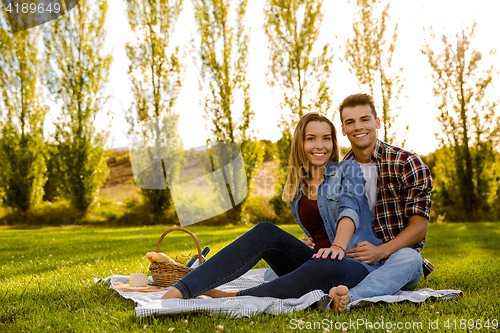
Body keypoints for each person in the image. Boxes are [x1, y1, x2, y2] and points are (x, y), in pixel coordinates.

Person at [162, 112, 383, 304]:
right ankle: (181, 289)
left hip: (352, 264)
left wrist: (338, 247)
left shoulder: (349, 169)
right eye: (311, 138)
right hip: (314, 263)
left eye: (326, 138)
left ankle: (231, 295)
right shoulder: (298, 187)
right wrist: (303, 243)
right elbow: (318, 227)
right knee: (266, 230)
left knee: (328, 264)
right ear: (300, 144)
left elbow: (349, 210)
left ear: (334, 143)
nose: (320, 145)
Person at [331, 93, 434, 311]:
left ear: (377, 122)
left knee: (411, 259)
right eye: (350, 122)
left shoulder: (407, 163)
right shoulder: (337, 173)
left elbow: (419, 229)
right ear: (343, 129)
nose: (358, 127)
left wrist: (381, 252)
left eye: (365, 119)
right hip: (355, 258)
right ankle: (360, 284)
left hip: (396, 257)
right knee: (274, 272)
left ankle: (350, 297)